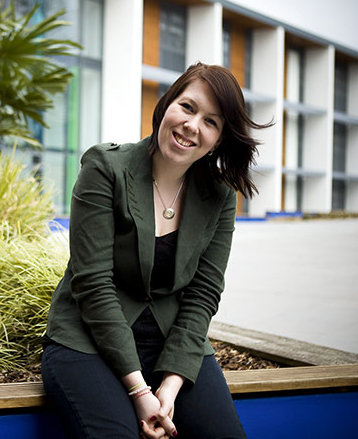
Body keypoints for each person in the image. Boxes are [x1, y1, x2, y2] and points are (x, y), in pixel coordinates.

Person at [41, 62, 271, 439]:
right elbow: (93, 285)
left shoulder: (219, 197)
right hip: (88, 342)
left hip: (172, 346)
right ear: (166, 104)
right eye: (188, 107)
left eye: (211, 122)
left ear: (218, 140)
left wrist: (170, 385)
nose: (193, 126)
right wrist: (139, 390)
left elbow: (204, 293)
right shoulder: (105, 168)